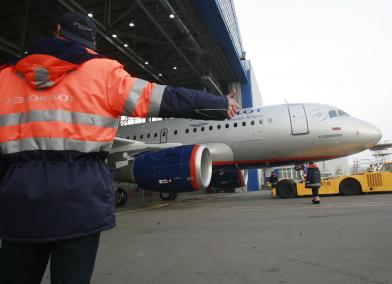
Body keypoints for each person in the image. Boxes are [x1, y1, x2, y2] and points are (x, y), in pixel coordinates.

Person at [0, 11, 239, 284]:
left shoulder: (6, 77)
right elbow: (165, 97)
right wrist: (218, 104)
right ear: (90, 43)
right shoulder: (103, 72)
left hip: (18, 203)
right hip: (80, 203)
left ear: (57, 32)